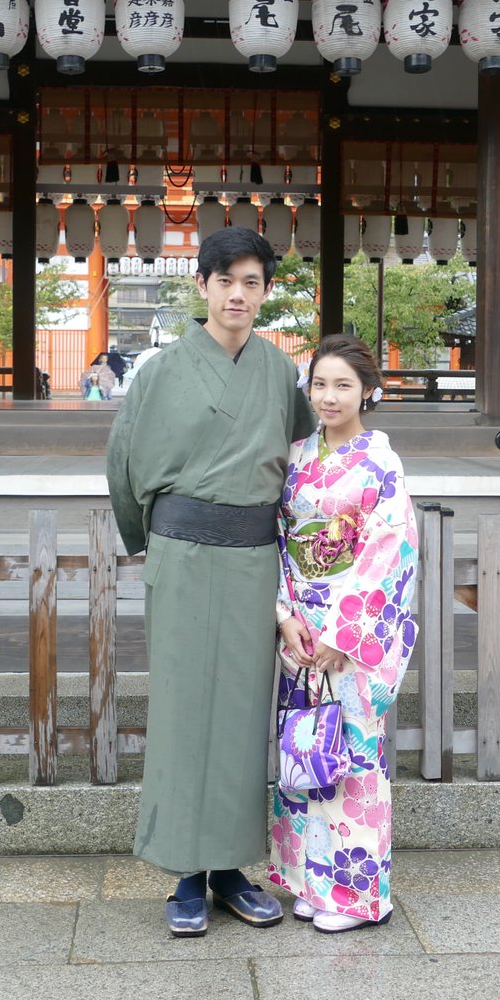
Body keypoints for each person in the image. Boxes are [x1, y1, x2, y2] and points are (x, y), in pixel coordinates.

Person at [105, 227, 316, 938]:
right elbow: (124, 464)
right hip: (184, 554)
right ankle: (184, 876)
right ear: (202, 285)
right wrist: (151, 544)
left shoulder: (279, 373)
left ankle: (229, 868)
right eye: (226, 280)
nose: (238, 294)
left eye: (252, 282)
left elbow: (305, 457)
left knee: (239, 716)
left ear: (264, 293)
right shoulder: (162, 371)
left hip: (254, 560)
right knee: (183, 711)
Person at [267, 333, 419, 933]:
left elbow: (391, 549)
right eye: (320, 384)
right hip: (300, 631)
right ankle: (309, 882)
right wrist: (286, 616)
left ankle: (358, 897)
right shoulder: (300, 454)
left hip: (350, 633)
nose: (328, 397)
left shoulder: (380, 460)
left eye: (343, 386)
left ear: (368, 392)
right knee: (307, 754)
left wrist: (345, 632)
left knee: (351, 759)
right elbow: (280, 539)